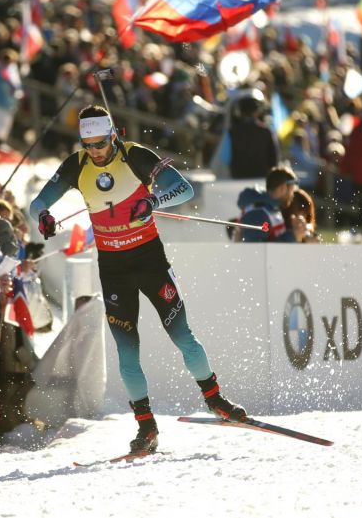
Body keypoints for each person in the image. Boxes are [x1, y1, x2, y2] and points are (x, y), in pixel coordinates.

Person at [29, 105, 247, 455]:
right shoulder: (77, 164)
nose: (96, 152)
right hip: (114, 269)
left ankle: (215, 399)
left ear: (112, 135)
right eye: (89, 145)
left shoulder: (136, 156)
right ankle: (146, 427)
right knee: (127, 353)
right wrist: (43, 215)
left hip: (150, 260)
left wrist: (153, 199)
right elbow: (38, 202)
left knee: (183, 336)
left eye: (101, 144)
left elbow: (185, 189)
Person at [235, 166, 299, 243]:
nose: (292, 195)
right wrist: (292, 237)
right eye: (292, 190)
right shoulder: (257, 213)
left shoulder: (270, 209)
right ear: (283, 188)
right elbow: (255, 250)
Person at [229, 91, 278, 180]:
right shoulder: (267, 132)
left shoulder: (231, 132)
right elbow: (274, 161)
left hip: (237, 181)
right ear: (258, 111)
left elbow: (224, 160)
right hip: (262, 181)